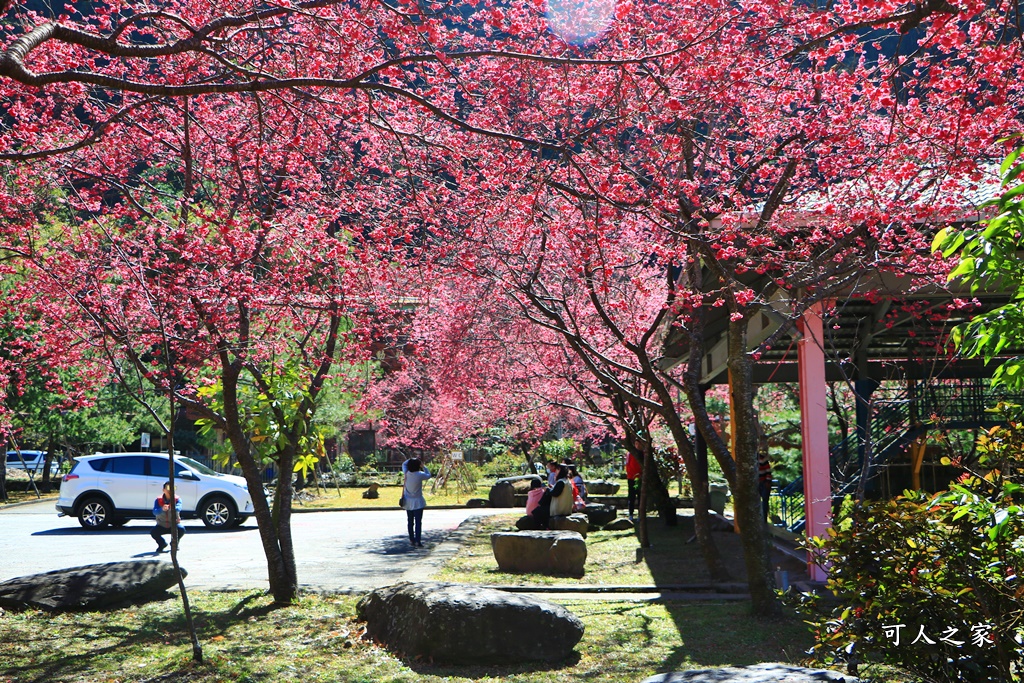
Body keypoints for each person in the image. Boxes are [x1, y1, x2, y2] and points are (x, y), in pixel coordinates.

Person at [402, 457, 432, 548]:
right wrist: (423, 466)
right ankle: (418, 541)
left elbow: (404, 464)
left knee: (410, 522)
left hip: (408, 501)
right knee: (418, 522)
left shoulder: (406, 473)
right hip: (418, 501)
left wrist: (410, 459)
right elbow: (429, 475)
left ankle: (412, 539)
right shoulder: (420, 475)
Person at [151, 481, 185, 553]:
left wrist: (170, 506)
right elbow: (155, 511)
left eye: (173, 488)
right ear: (163, 490)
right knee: (153, 532)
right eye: (168, 488)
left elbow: (179, 508)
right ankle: (162, 544)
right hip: (161, 524)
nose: (170, 490)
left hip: (173, 525)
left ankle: (174, 544)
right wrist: (162, 509)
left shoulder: (177, 499)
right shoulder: (158, 500)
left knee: (181, 529)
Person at [757, 424, 773, 524]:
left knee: (764, 502)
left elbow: (768, 471)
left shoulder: (762, 459)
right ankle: (759, 519)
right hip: (757, 482)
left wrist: (767, 481)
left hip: (763, 482)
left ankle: (764, 520)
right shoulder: (753, 460)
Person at [625, 447, 642, 519]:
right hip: (631, 478)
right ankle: (631, 514)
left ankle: (640, 514)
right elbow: (627, 466)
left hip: (640, 478)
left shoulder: (643, 454)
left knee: (640, 496)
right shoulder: (629, 454)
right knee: (631, 496)